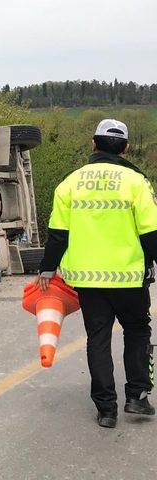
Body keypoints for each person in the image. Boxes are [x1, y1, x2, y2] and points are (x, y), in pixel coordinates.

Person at [36, 119, 157, 428]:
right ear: (126, 147)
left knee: (98, 338)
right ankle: (137, 396)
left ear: (94, 144)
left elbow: (58, 234)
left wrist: (47, 269)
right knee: (137, 331)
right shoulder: (136, 182)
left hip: (87, 280)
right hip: (129, 277)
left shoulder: (70, 182)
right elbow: (151, 234)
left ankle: (106, 409)